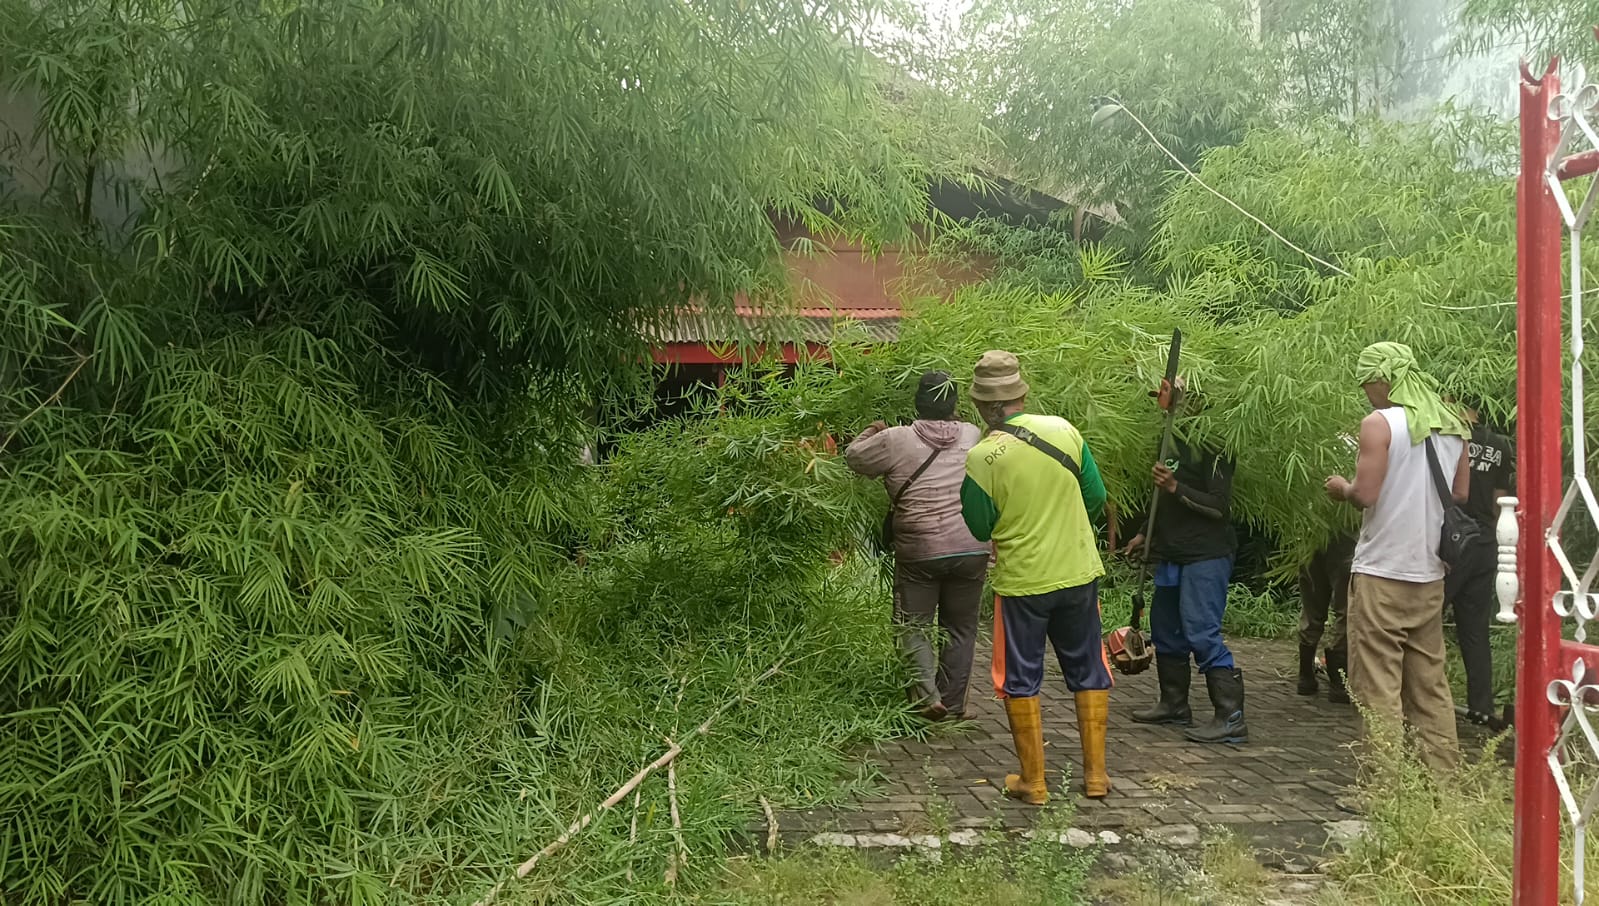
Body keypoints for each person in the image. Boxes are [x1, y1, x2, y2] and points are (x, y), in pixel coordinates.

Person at [959, 350, 1114, 802]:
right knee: (1089, 667)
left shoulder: (982, 457)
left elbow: (979, 526)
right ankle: (1096, 777)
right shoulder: (1064, 430)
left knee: (1020, 677)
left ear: (982, 406)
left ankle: (1035, 782)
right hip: (1078, 571)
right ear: (1022, 395)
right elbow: (1095, 497)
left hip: (1023, 583)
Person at [1325, 341, 1470, 774]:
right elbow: (1460, 493)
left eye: (1367, 384)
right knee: (1430, 685)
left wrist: (1342, 488)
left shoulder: (1379, 424)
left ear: (1382, 380)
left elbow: (1365, 495)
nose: (1366, 394)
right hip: (1430, 572)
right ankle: (1443, 783)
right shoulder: (1452, 423)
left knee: (1378, 685)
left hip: (1381, 572)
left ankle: (1384, 789)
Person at [846, 371, 989, 721]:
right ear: (954, 403)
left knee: (913, 625)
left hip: (920, 550)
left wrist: (872, 430)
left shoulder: (895, 439)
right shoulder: (973, 434)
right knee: (961, 628)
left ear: (917, 403)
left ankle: (927, 697)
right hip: (971, 546)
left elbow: (854, 457)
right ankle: (952, 703)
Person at [1123, 383, 1248, 746]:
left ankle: (1231, 718)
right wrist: (1144, 532)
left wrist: (1176, 486)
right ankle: (1174, 704)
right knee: (1166, 631)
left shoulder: (1215, 443)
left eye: (1168, 397)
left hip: (1206, 554)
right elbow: (1162, 498)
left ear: (1190, 399)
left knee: (1201, 633)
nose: (1161, 404)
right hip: (1173, 553)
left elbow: (1219, 506)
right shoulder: (1168, 440)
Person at [1444, 396, 1514, 729]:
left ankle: (1420, 698)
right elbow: (1500, 500)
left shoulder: (1449, 436)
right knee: (1475, 629)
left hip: (1452, 541)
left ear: (1453, 400)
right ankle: (1482, 707)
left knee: (1422, 618)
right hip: (1485, 540)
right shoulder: (1499, 445)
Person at [1296, 533, 1356, 704]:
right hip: (1345, 537)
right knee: (1345, 611)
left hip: (1311, 534)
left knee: (1311, 608)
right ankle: (1339, 683)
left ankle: (1306, 677)